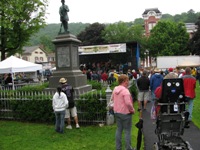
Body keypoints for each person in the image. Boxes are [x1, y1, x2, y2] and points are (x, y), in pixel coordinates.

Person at [112, 74, 135, 150]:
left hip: (117, 112)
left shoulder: (115, 89)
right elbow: (128, 103)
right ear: (124, 81)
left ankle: (118, 148)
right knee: (127, 131)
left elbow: (112, 99)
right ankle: (128, 148)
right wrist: (132, 110)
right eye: (127, 80)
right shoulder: (125, 91)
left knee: (119, 130)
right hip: (125, 113)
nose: (128, 82)